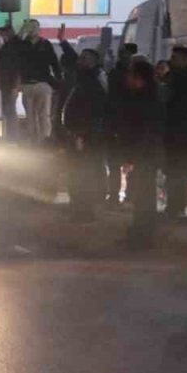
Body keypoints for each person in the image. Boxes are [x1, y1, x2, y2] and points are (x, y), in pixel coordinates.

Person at [112, 60, 165, 249]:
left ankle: (143, 236)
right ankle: (139, 233)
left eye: (130, 73)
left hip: (144, 155)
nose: (126, 77)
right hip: (143, 154)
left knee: (144, 196)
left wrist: (132, 158)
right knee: (141, 195)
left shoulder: (146, 100)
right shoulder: (140, 96)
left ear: (138, 77)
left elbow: (144, 132)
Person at [60, 48, 107, 223]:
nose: (80, 61)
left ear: (93, 63)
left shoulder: (92, 83)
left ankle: (84, 210)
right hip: (76, 134)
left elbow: (93, 112)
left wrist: (82, 134)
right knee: (76, 173)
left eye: (85, 59)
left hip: (84, 137)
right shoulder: (80, 81)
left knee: (82, 174)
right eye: (80, 58)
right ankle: (78, 207)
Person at [162, 46, 187, 220]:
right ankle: (172, 206)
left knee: (179, 172)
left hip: (182, 133)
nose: (172, 60)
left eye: (176, 57)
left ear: (185, 60)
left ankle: (177, 207)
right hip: (171, 132)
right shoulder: (173, 77)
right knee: (172, 172)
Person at [17, 19, 61, 144]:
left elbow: (54, 63)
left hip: (43, 83)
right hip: (27, 84)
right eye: (30, 26)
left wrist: (58, 81)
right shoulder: (22, 44)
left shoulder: (45, 44)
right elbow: (13, 48)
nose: (32, 29)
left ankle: (45, 140)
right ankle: (34, 140)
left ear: (39, 28)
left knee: (44, 114)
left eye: (35, 26)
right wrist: (22, 30)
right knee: (30, 116)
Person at [105, 43, 138, 203]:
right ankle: (114, 196)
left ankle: (129, 195)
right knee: (114, 163)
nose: (123, 56)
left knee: (130, 162)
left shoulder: (135, 74)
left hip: (130, 124)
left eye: (126, 54)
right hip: (116, 123)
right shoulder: (115, 73)